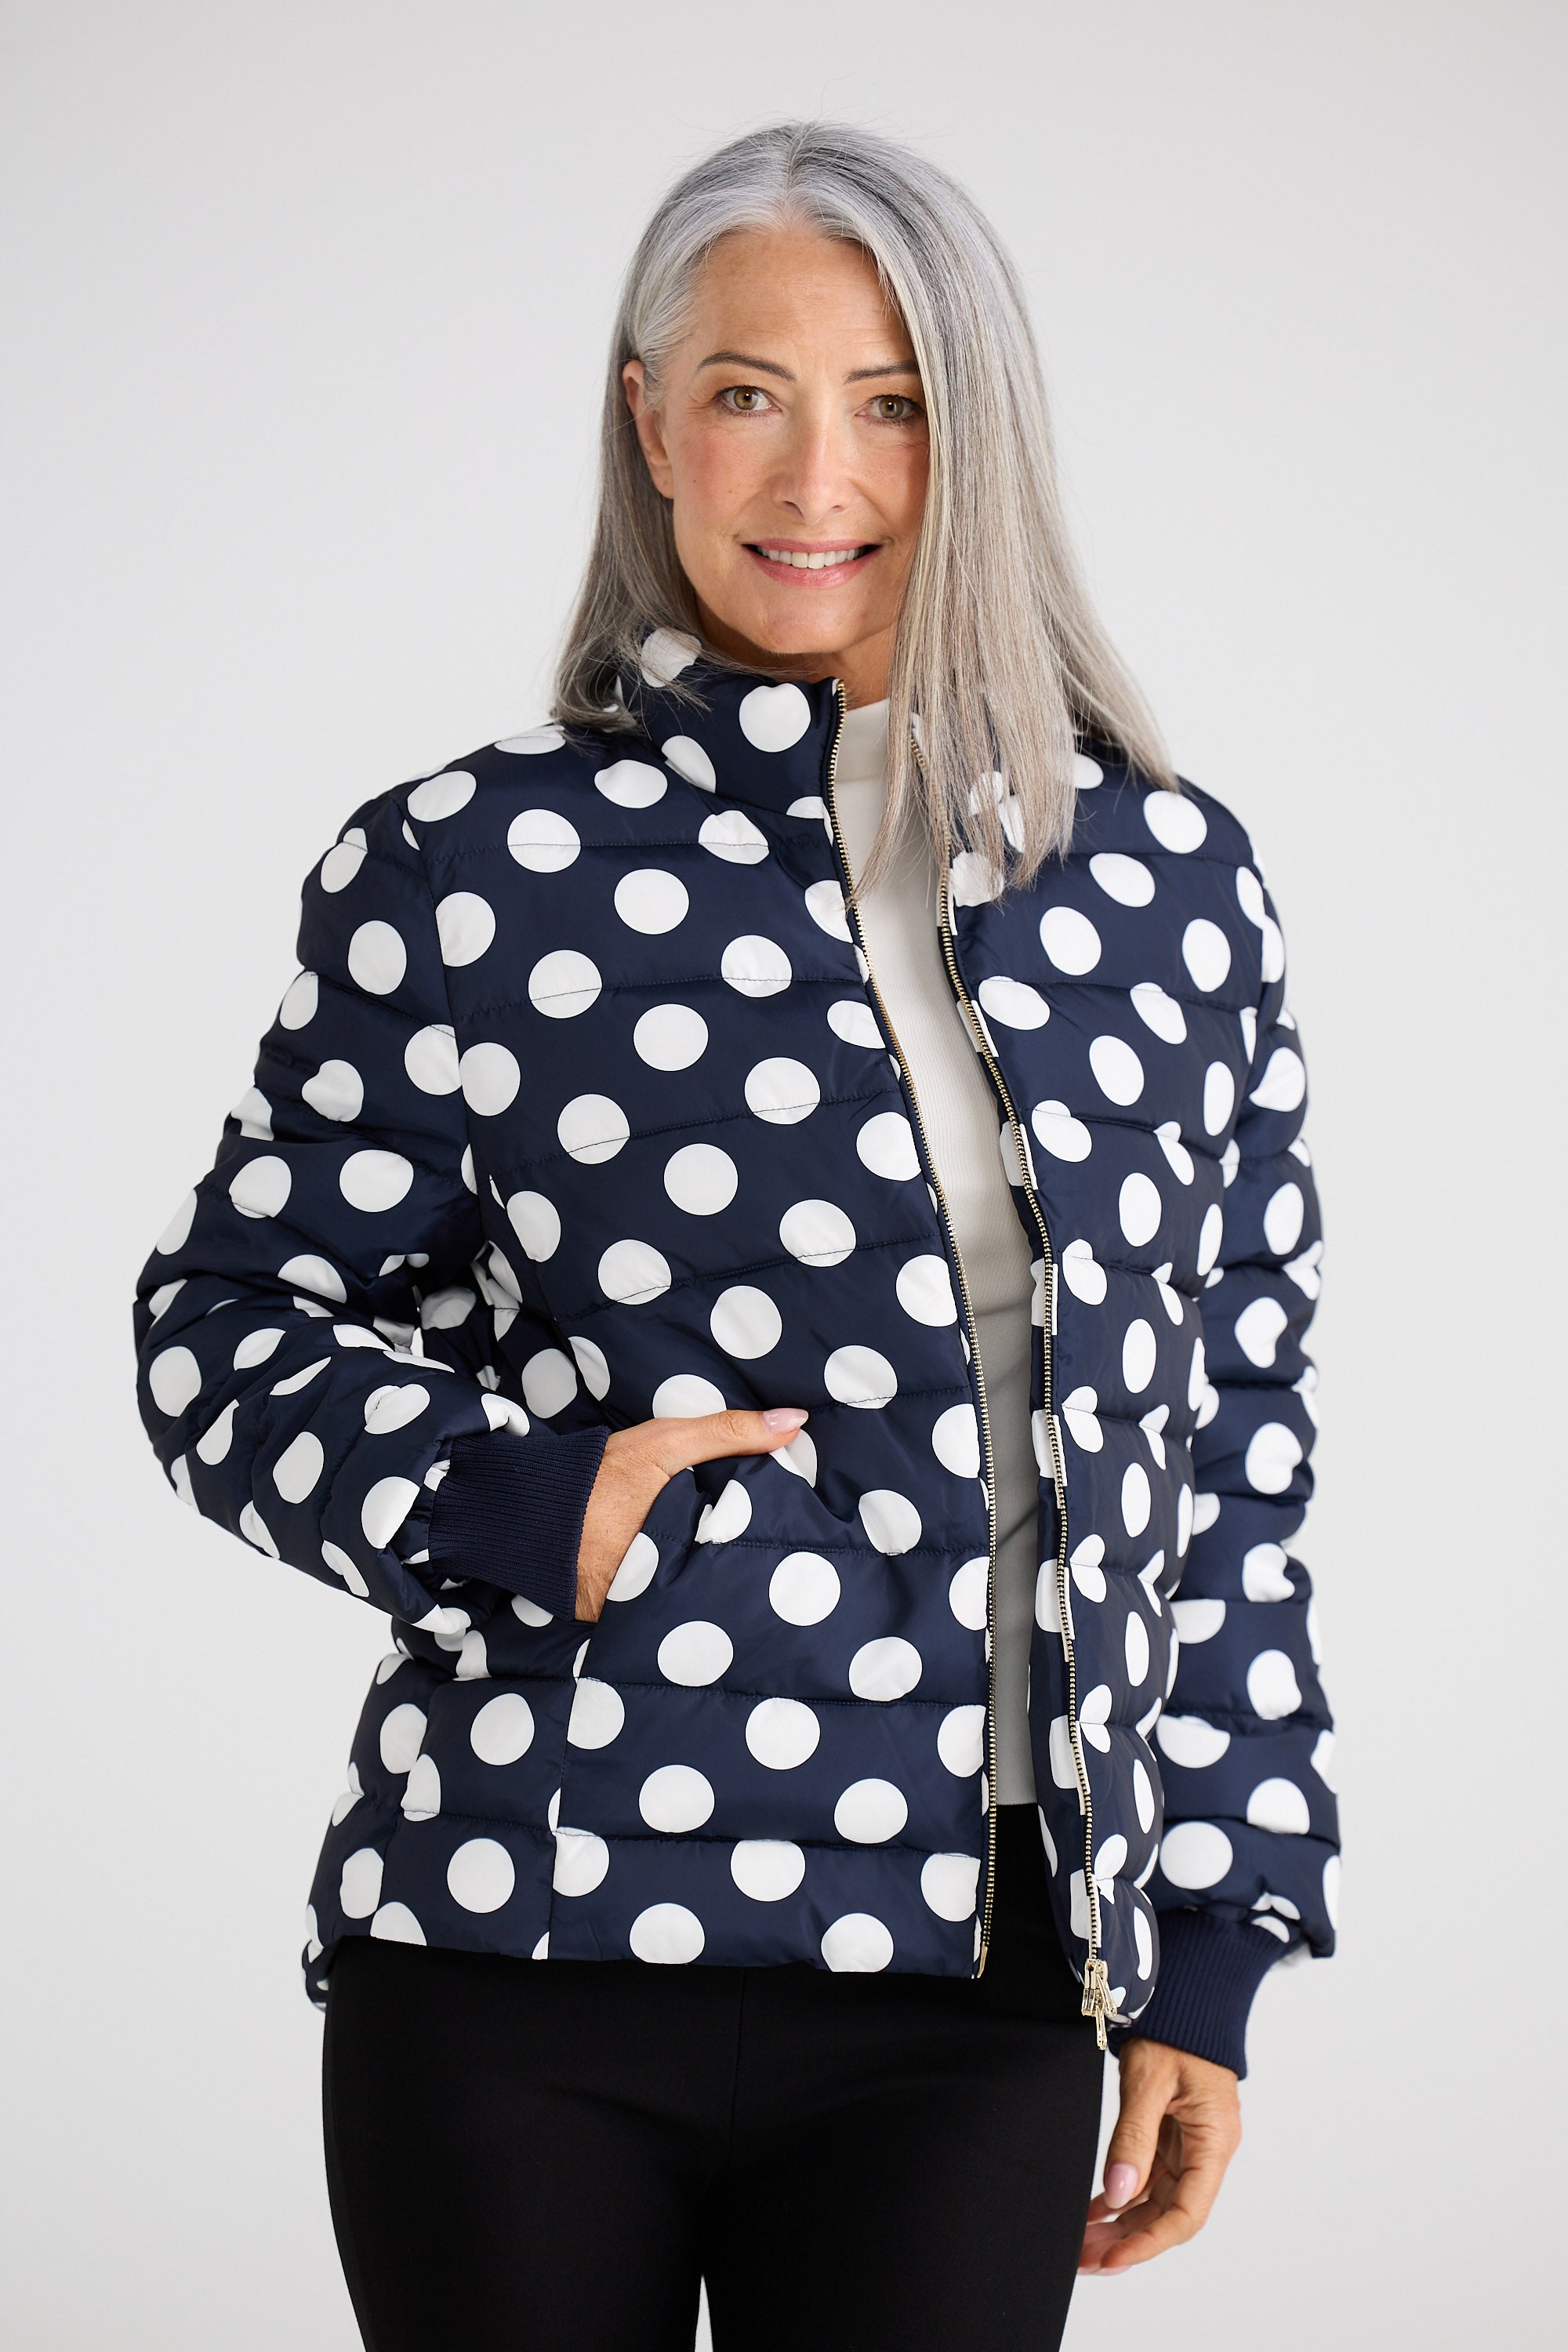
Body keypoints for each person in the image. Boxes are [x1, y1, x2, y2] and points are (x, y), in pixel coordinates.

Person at [133, 120, 1335, 2352]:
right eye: (751, 390)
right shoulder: (468, 871)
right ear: (649, 414)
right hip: (523, 1950)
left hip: (973, 1987)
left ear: (977, 435)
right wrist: (532, 1501)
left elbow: (1233, 1452)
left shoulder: (1170, 888)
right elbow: (223, 1330)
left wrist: (1219, 1935)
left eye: (893, 401)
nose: (818, 474)